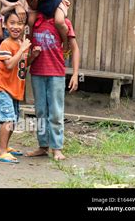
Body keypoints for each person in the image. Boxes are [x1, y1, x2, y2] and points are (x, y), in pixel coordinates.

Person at [25, 14, 80, 161]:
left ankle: (57, 148)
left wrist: (75, 74)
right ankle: (43, 146)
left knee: (56, 112)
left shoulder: (63, 23)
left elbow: (74, 48)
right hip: (37, 73)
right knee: (40, 111)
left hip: (56, 74)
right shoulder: (34, 21)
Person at [0, 9, 41, 164]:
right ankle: (1, 151)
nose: (16, 26)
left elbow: (23, 66)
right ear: (5, 25)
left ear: (24, 26)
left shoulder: (20, 43)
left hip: (14, 89)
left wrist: (33, 56)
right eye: (12, 23)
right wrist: (23, 49)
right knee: (8, 119)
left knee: (13, 119)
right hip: (2, 87)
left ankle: (6, 147)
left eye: (19, 23)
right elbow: (10, 64)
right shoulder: (6, 43)